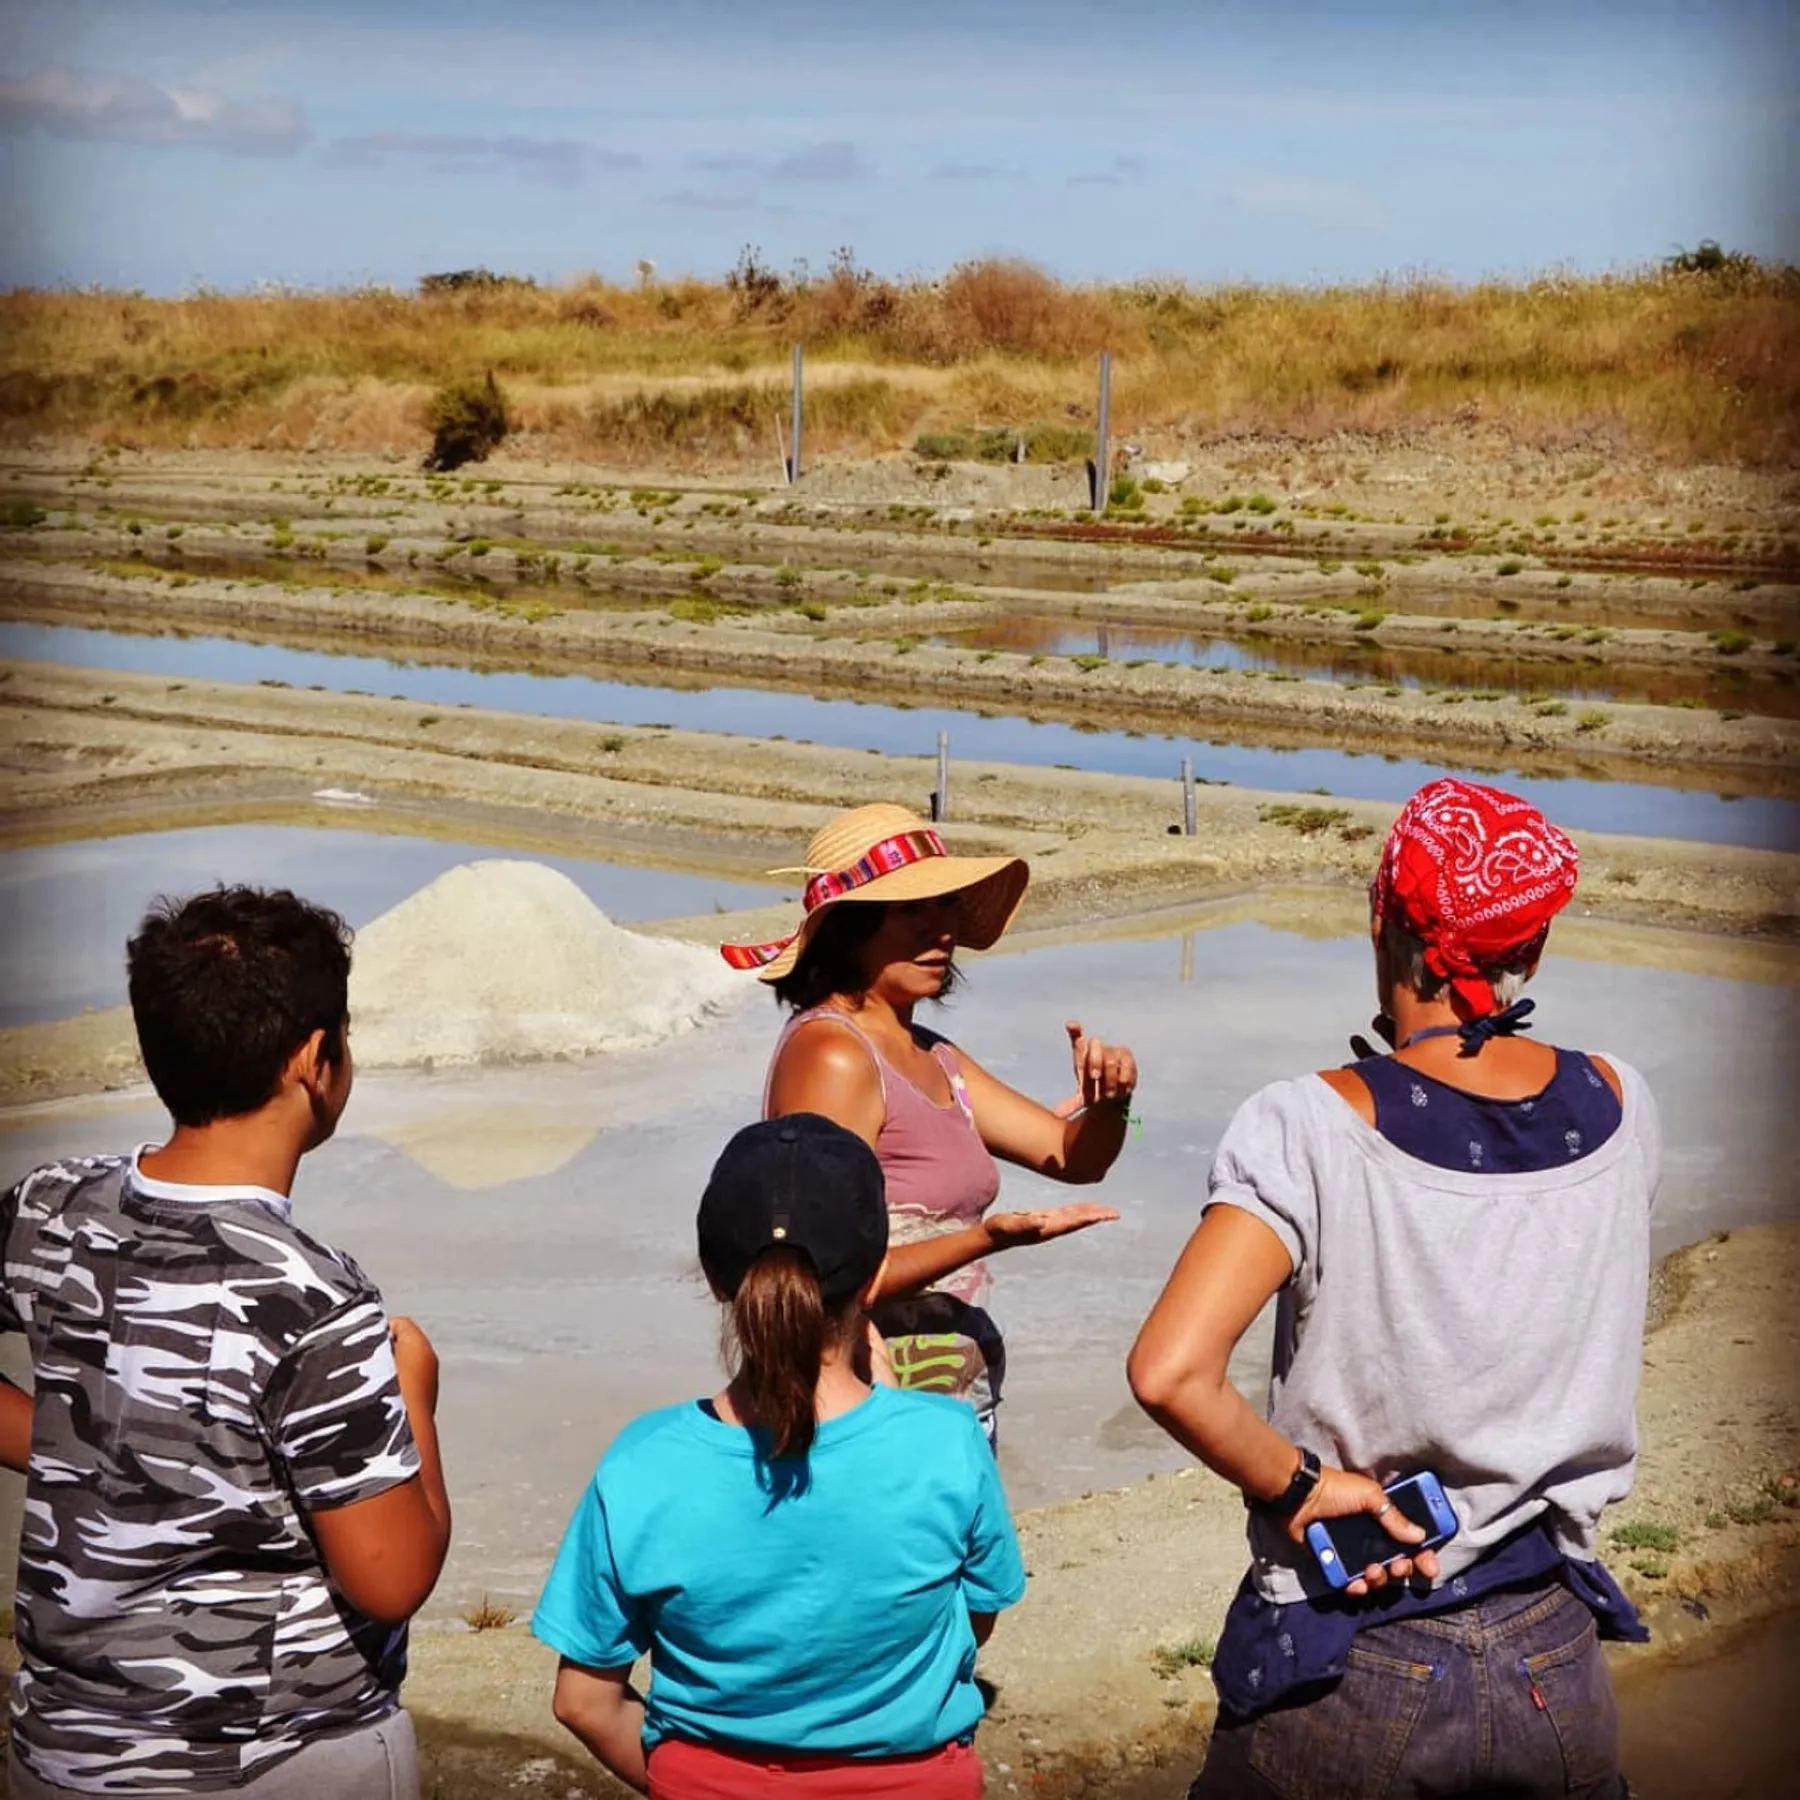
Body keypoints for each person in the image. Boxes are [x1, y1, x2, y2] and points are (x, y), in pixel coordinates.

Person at [1127, 777, 1660, 1800]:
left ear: (1389, 924)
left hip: (1353, 1658)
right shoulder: (1627, 1103)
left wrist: (1305, 1487)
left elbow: (1170, 1371)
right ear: (1531, 951)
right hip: (1558, 1646)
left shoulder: (1309, 1127)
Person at [0, 887, 451, 1800]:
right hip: (272, 1755)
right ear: (316, 1061)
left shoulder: (48, 1209)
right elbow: (394, 1576)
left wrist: (73, 1442)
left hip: (61, 1744)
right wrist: (414, 1391)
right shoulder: (314, 1302)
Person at [533, 1113, 1026, 1799]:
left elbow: (583, 1701)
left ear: (714, 1278)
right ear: (876, 1274)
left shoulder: (645, 1462)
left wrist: (690, 1780)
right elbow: (972, 1622)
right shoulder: (946, 1441)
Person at [721, 802, 1137, 1441]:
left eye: (944, 909)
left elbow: (1071, 1156)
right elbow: (818, 1267)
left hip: (946, 1399)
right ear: (848, 930)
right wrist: (987, 1237)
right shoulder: (834, 1054)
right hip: (869, 1404)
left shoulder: (934, 1057)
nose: (940, 931)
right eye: (912, 912)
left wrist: (1110, 1103)